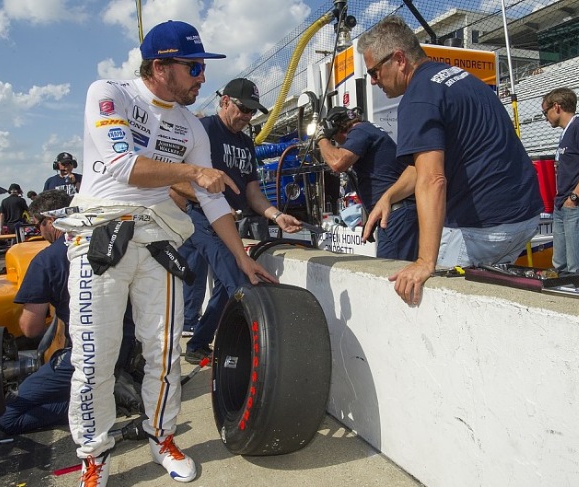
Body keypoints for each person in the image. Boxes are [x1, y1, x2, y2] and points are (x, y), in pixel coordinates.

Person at [51, 21, 275, 486]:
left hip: (157, 243)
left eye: (202, 68)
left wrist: (241, 257)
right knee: (94, 358)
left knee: (165, 353)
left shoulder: (191, 125)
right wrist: (194, 171)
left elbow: (212, 199)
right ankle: (94, 457)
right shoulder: (109, 93)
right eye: (193, 67)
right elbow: (122, 165)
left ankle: (163, 437)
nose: (201, 78)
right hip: (100, 239)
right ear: (160, 67)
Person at [357, 16, 543, 305]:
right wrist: (389, 196)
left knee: (428, 301)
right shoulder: (461, 79)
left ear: (399, 59)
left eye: (374, 71)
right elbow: (421, 167)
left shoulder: (418, 97)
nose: (373, 80)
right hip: (524, 216)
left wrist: (425, 261)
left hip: (484, 226)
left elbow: (433, 178)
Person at [174, 78, 302, 365]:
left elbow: (253, 192)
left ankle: (197, 345)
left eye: (252, 112)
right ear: (225, 101)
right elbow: (174, 177)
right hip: (200, 218)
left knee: (223, 286)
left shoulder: (246, 142)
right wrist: (211, 199)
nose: (247, 116)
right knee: (238, 279)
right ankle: (262, 354)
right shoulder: (203, 130)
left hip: (230, 222)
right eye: (243, 109)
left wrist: (277, 216)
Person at [0, 190, 140, 436]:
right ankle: (112, 388)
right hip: (130, 344)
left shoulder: (45, 261)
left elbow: (31, 328)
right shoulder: (115, 241)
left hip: (86, 355)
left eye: (38, 224)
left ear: (50, 221)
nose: (39, 231)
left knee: (7, 415)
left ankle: (111, 400)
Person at [316, 106, 419, 260]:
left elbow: (337, 162)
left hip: (396, 213)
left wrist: (321, 138)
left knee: (390, 276)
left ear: (334, 128)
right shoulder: (369, 130)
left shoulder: (360, 131)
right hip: (396, 212)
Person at [542, 87, 579, 284]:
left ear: (557, 107)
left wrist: (574, 197)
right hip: (565, 204)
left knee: (578, 267)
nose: (545, 117)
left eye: (545, 112)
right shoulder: (566, 133)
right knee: (561, 264)